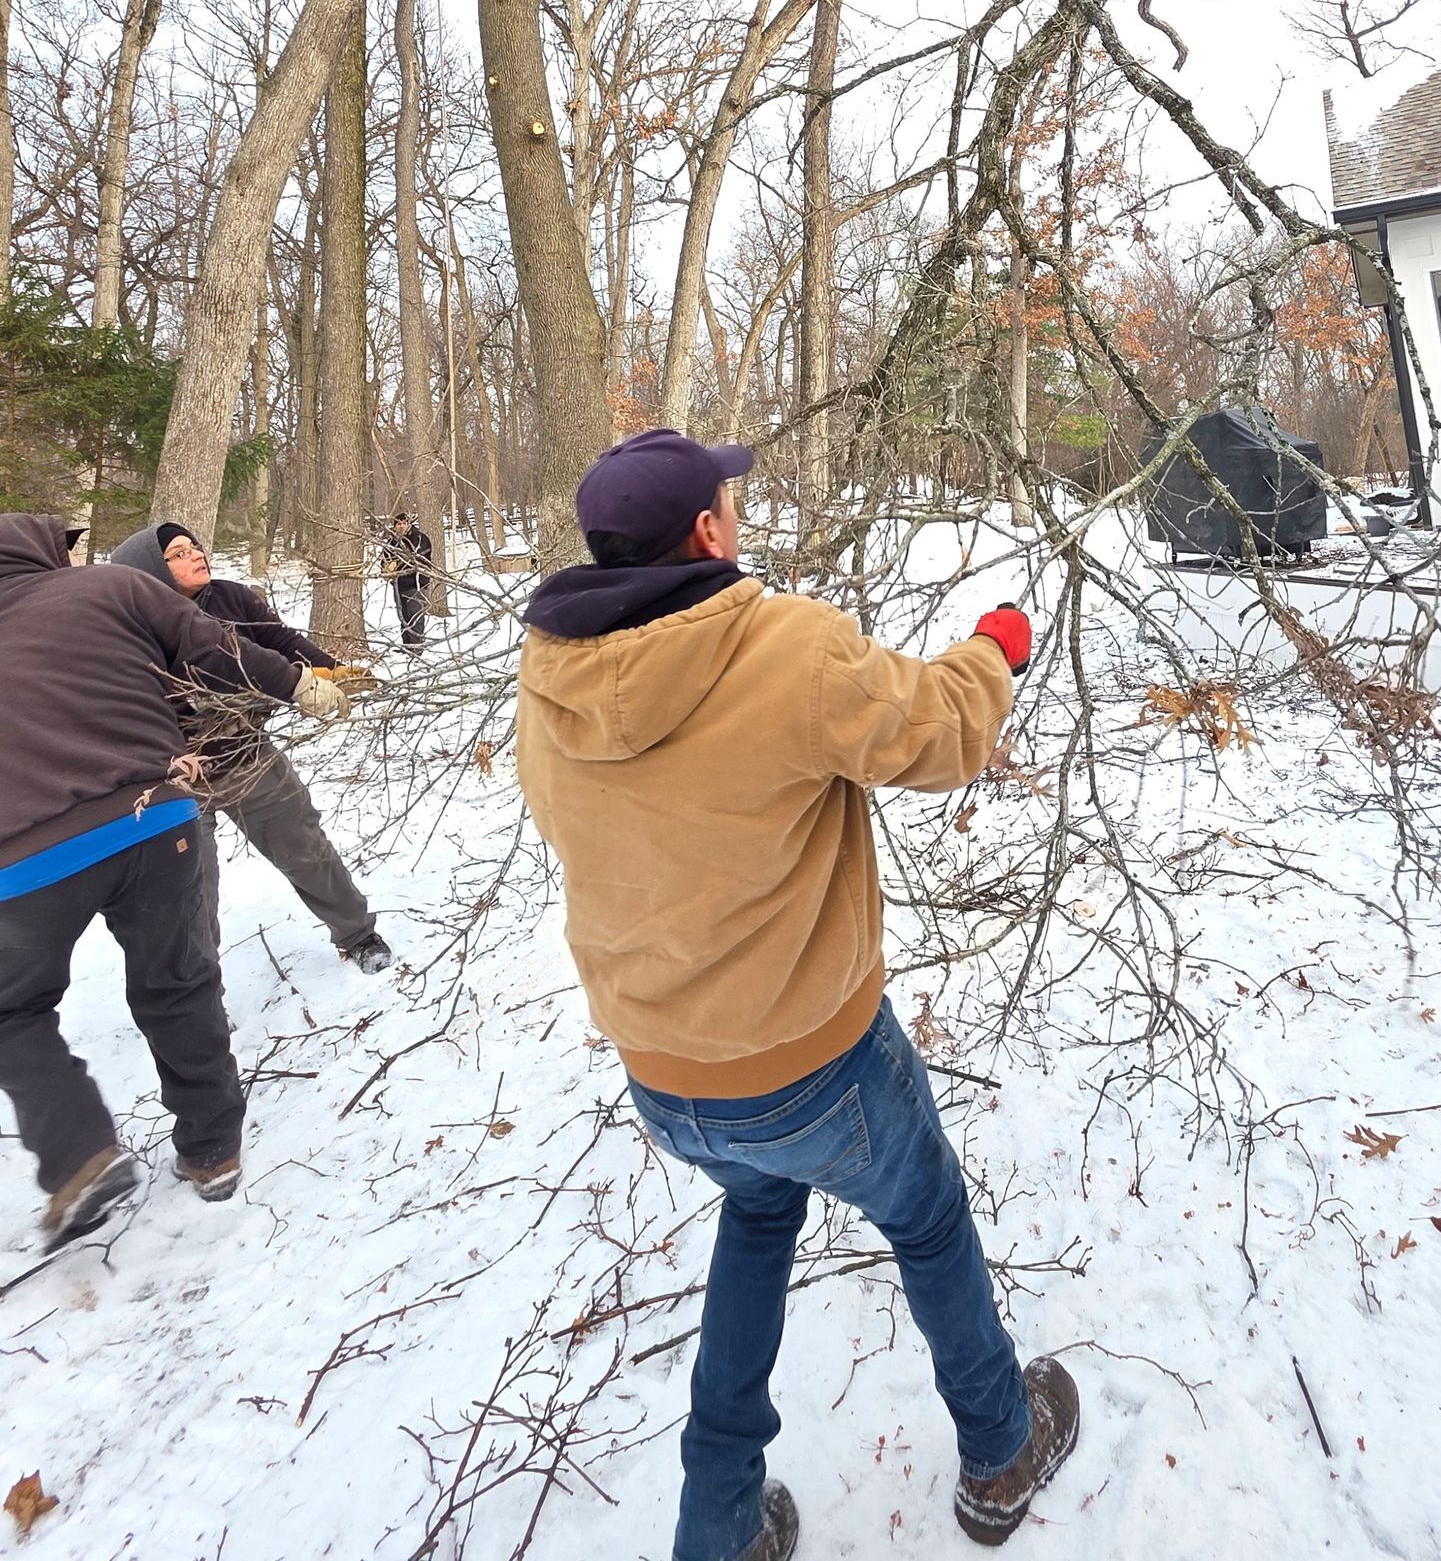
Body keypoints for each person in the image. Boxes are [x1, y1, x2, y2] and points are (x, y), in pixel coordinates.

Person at [514, 429, 1076, 1561]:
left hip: (666, 1077)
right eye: (728, 500)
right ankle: (1001, 1447)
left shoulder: (550, 677)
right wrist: (996, 647)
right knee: (924, 1216)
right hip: (816, 1067)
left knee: (759, 1212)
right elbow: (943, 732)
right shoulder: (782, 644)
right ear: (710, 532)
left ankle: (715, 1529)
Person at [0, 513, 352, 1252]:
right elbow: (214, 647)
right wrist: (300, 687)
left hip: (26, 863)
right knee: (176, 983)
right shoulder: (111, 588)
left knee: (7, 1020)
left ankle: (78, 1154)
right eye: (61, 548)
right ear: (37, 554)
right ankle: (214, 1152)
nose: (71, 557)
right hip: (152, 821)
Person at [109, 523, 393, 975]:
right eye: (179, 554)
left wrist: (331, 671)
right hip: (177, 779)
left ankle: (357, 933)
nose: (197, 555)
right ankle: (198, 990)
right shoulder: (129, 631)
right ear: (148, 571)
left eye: (195, 546)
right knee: (192, 888)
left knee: (304, 845)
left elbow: (280, 643)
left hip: (245, 751)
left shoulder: (230, 597)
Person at [382, 510, 433, 650]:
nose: (401, 526)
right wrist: (387, 569)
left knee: (415, 615)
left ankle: (417, 647)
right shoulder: (391, 542)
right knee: (403, 616)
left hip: (415, 583)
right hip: (399, 584)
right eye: (398, 524)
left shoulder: (420, 539)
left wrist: (398, 565)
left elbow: (418, 558)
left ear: (409, 524)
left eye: (404, 523)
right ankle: (407, 646)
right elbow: (384, 561)